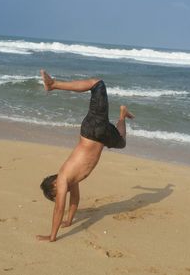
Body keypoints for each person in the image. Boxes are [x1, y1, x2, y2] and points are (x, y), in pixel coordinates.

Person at [36, 70, 134, 242]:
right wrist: (69, 220)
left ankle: (54, 85)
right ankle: (122, 115)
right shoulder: (71, 180)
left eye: (55, 194)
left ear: (53, 184)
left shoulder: (63, 179)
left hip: (92, 130)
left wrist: (52, 236)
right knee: (121, 142)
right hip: (102, 136)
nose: (60, 194)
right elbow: (75, 199)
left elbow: (59, 208)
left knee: (97, 83)